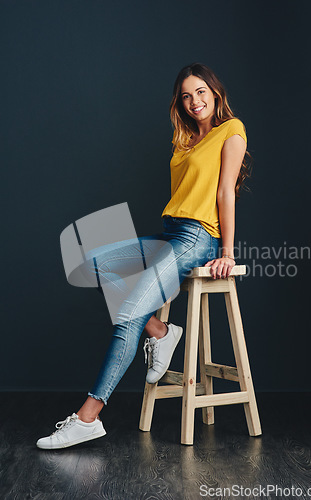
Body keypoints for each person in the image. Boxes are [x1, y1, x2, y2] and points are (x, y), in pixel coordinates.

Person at [36, 62, 252, 449]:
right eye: (186, 96)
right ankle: (163, 333)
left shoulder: (231, 131)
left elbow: (225, 193)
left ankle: (89, 416)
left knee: (128, 314)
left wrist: (227, 252)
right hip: (172, 230)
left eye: (201, 92)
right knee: (94, 263)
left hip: (198, 236)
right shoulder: (184, 140)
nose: (194, 101)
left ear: (215, 93)